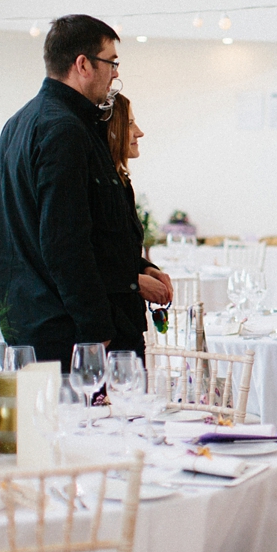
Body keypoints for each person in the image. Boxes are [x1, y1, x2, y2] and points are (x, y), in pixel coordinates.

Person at [0, 14, 168, 370]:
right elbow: (64, 243)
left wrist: (140, 267)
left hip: (36, 324)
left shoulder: (19, 123)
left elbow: (96, 231)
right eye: (111, 62)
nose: (116, 73)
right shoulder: (64, 129)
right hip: (70, 333)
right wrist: (95, 330)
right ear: (83, 64)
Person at [103, 93, 172, 360]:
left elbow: (119, 252)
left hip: (128, 322)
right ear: (110, 130)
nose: (139, 132)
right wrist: (133, 283)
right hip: (110, 325)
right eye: (130, 123)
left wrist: (147, 268)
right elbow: (88, 257)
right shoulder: (100, 186)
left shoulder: (120, 181)